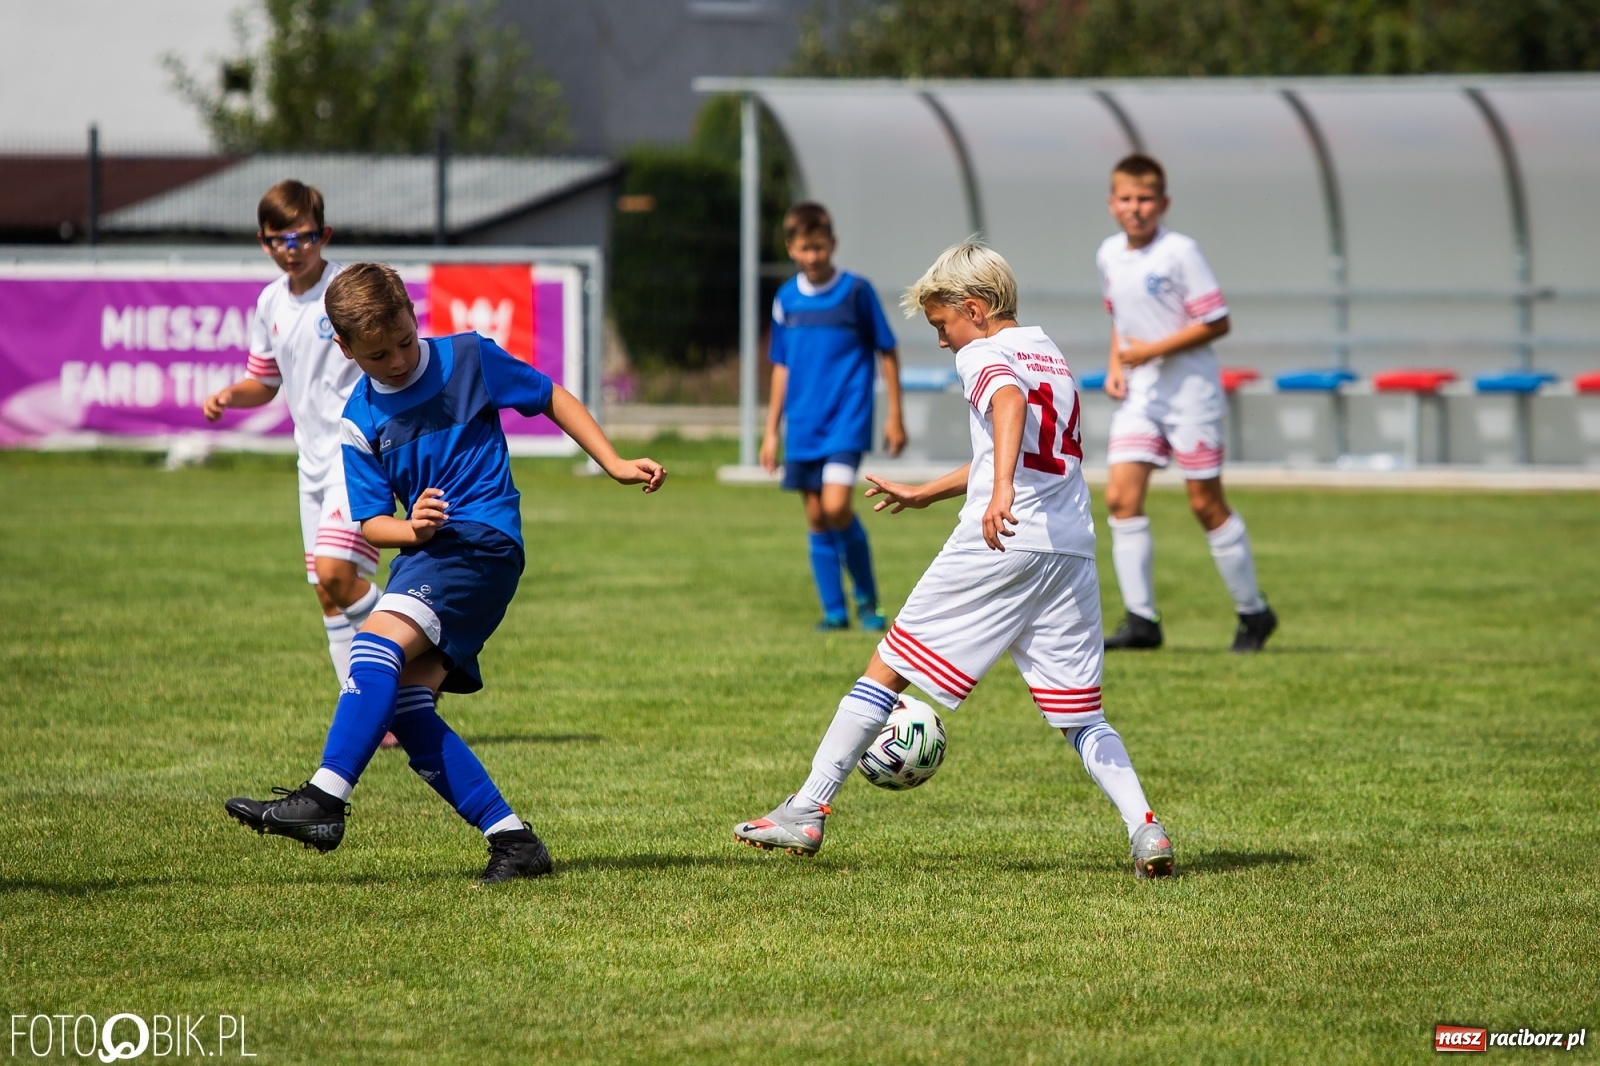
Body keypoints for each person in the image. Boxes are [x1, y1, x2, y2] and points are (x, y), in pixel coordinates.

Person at [735, 241, 1174, 879]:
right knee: (1080, 716)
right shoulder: (1047, 352)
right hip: (1069, 546)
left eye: (943, 324)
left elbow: (1007, 407)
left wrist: (998, 494)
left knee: (887, 665)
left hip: (1003, 539)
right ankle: (1145, 828)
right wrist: (927, 491)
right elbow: (1020, 443)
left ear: (974, 307)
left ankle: (807, 808)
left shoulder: (983, 353)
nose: (943, 340)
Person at [226, 263, 665, 883]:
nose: (398, 359)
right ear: (346, 349)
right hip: (429, 553)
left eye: (404, 340)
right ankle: (514, 842)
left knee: (374, 645)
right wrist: (412, 531)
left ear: (413, 313)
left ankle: (325, 798)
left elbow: (551, 396)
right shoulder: (360, 417)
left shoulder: (468, 359)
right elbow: (374, 522)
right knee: (406, 706)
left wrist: (613, 462)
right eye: (378, 354)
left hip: (482, 543)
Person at [204, 180, 384, 685]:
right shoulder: (269, 303)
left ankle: (411, 661)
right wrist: (229, 396)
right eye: (278, 239)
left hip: (359, 454)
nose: (291, 249)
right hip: (311, 462)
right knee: (327, 592)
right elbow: (263, 382)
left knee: (335, 573)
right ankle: (368, 704)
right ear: (263, 242)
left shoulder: (346, 289)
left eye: (301, 237)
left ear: (323, 235)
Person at [1096, 154, 1277, 653]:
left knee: (1205, 503)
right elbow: (1120, 320)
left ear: (1163, 203)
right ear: (1112, 204)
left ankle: (1253, 612)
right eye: (1127, 199)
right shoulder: (1109, 254)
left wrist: (1149, 352)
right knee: (1120, 499)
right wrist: (1118, 365)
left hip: (1190, 396)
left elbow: (1216, 321)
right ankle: (1141, 620)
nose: (1136, 208)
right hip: (1142, 396)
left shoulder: (1180, 252)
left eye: (1146, 199)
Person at [761, 201, 907, 632]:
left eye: (820, 247)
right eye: (805, 248)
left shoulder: (856, 292)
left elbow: (888, 349)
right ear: (791, 248)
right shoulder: (786, 298)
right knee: (815, 515)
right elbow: (781, 366)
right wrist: (770, 432)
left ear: (833, 244)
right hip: (803, 424)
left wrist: (895, 415)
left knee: (836, 503)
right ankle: (834, 611)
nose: (813, 256)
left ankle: (866, 600)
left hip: (847, 418)